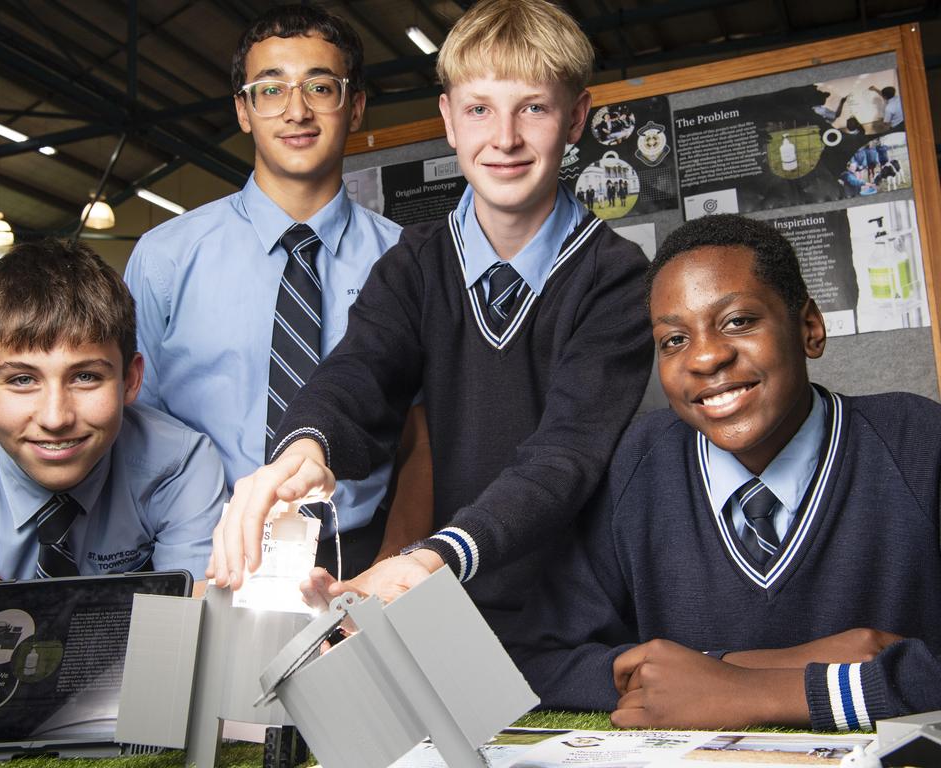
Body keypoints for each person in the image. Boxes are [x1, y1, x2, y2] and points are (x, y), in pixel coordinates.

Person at [209, 0, 653, 648]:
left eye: (533, 107)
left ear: (577, 117)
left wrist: (431, 558)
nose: (504, 137)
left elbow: (564, 457)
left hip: (577, 630)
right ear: (448, 120)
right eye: (478, 109)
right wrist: (303, 454)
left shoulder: (615, 277)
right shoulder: (414, 264)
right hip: (448, 626)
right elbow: (360, 371)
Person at [513, 213, 941, 731]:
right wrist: (729, 669)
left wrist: (757, 687)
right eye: (674, 340)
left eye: (738, 320)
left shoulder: (919, 442)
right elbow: (536, 657)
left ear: (809, 327)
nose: (707, 357)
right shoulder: (637, 465)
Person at [124, 5, 429, 578]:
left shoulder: (408, 262)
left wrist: (391, 569)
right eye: (270, 89)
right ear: (243, 110)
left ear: (356, 106)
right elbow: (135, 426)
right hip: (200, 554)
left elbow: (422, 433)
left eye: (320, 86)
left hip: (357, 556)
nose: (296, 110)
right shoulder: (165, 258)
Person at [0, 239, 227, 653]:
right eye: (22, 380)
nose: (55, 417)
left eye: (85, 377)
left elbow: (192, 633)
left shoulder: (181, 464)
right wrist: (147, 605)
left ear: (131, 379)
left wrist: (4, 608)